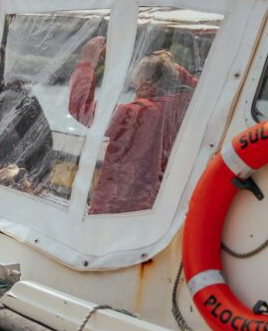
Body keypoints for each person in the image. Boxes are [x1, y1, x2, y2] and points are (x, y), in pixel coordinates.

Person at [68, 36, 197, 214]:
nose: (135, 86)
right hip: (160, 208)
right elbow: (199, 89)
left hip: (119, 211)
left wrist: (87, 63)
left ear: (146, 81)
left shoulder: (140, 113)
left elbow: (81, 107)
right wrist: (174, 68)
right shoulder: (185, 107)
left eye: (137, 80)